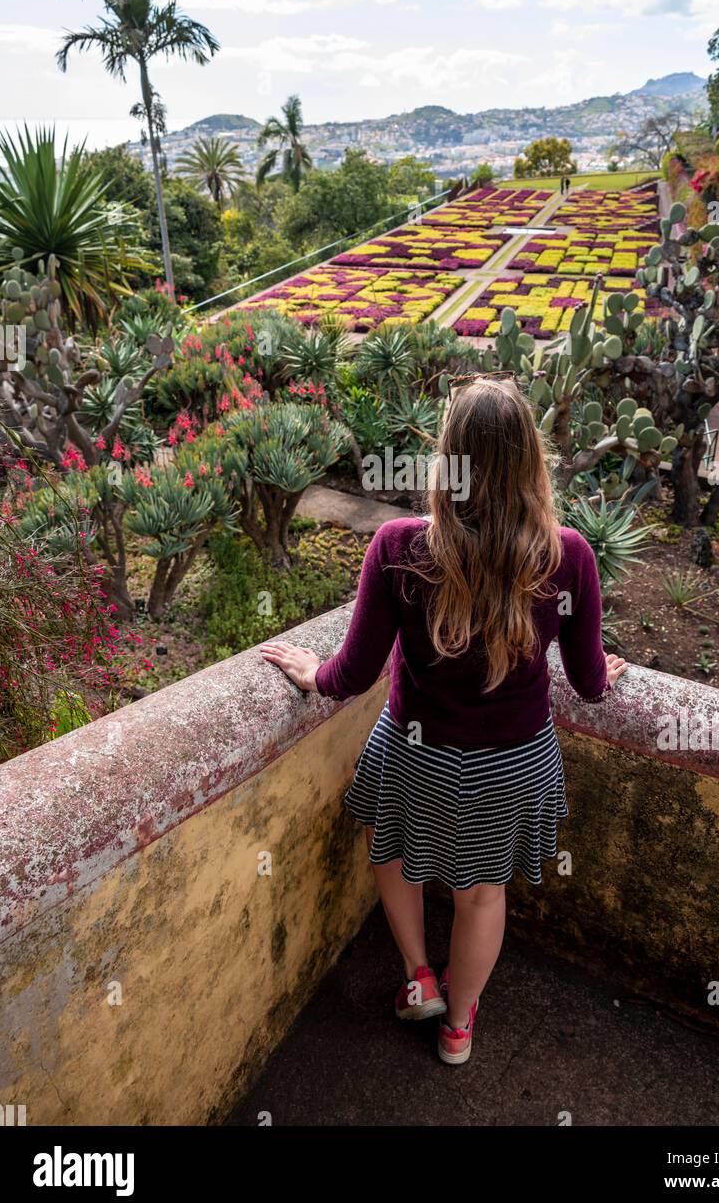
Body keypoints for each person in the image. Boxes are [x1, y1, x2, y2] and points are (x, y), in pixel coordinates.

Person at [262, 377, 627, 1065]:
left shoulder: (399, 547)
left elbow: (354, 674)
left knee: (391, 845)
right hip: (515, 762)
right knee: (482, 895)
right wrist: (608, 670)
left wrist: (313, 674)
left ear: (447, 458)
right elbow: (588, 684)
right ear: (530, 462)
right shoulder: (569, 554)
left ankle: (419, 976)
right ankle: (458, 1030)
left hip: (416, 753)